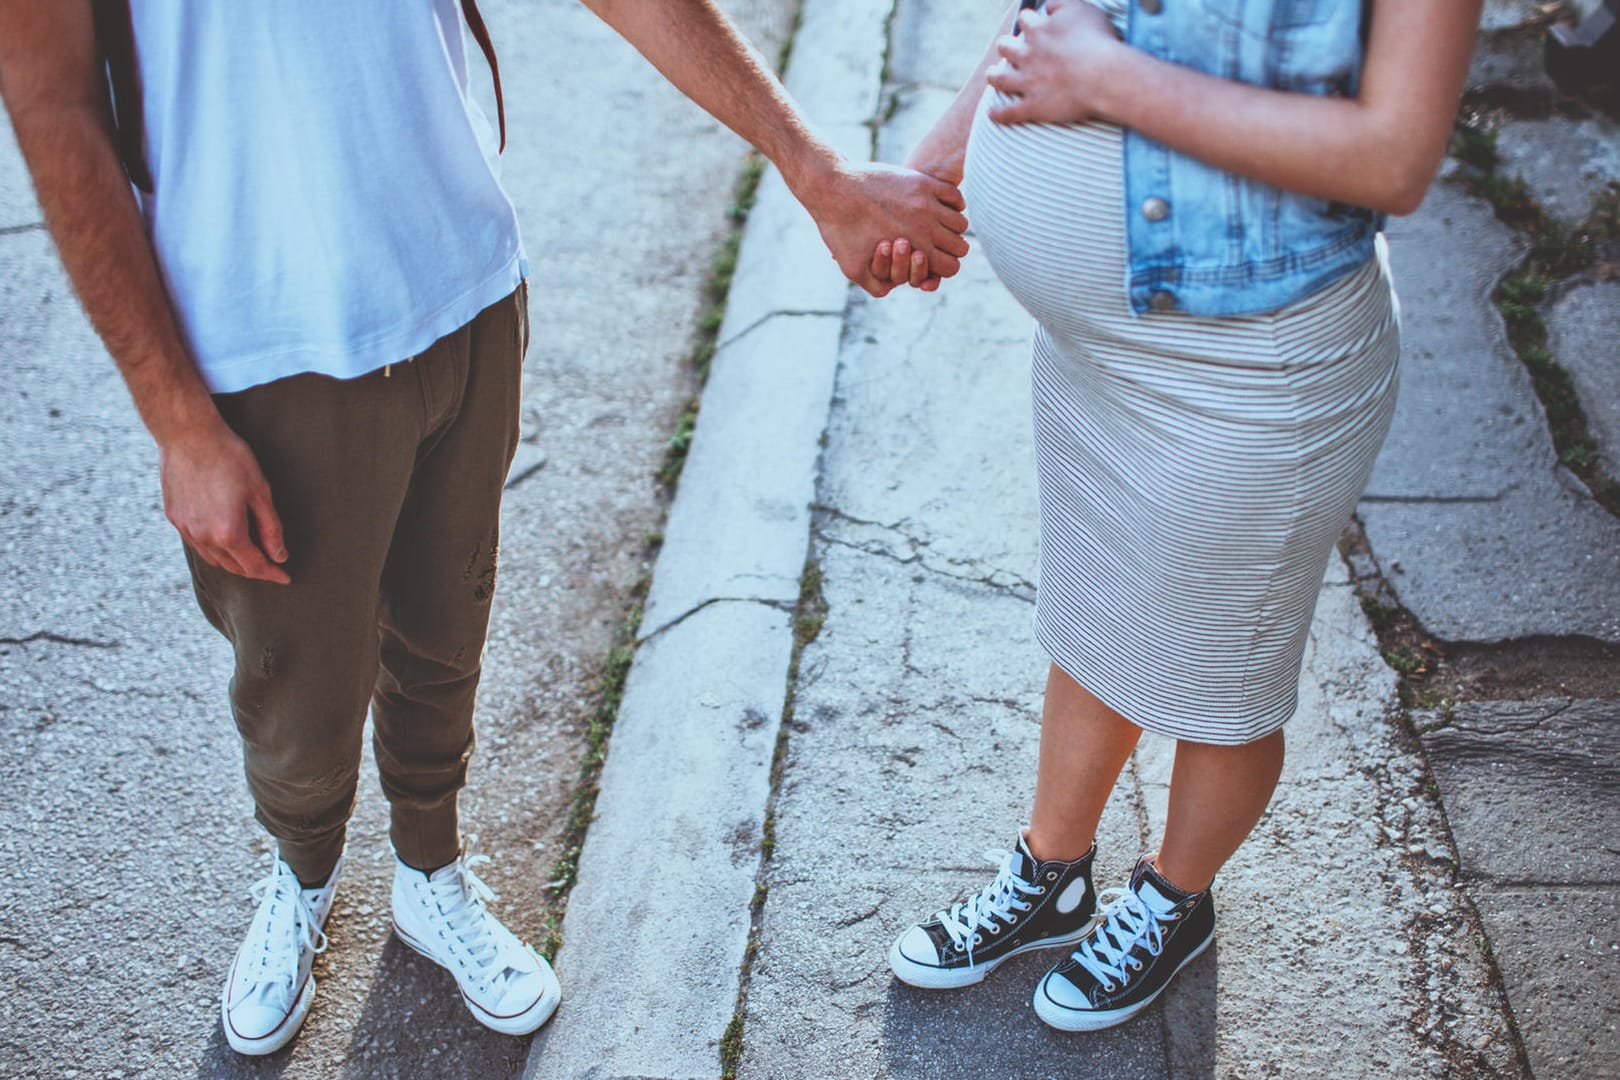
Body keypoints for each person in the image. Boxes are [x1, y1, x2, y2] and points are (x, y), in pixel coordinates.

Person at [0, 0, 968, 1056]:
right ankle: (302, 874)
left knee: (443, 632)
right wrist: (179, 421)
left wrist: (813, 167)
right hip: (262, 342)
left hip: (461, 291)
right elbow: (52, 106)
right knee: (298, 694)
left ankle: (430, 871)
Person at [874, 0, 1479, 1031]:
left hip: (1246, 372)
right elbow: (1054, 16)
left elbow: (1393, 157)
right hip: (1095, 355)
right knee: (1093, 617)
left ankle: (1173, 899)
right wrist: (937, 168)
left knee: (1221, 679)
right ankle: (1052, 877)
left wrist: (1109, 84)